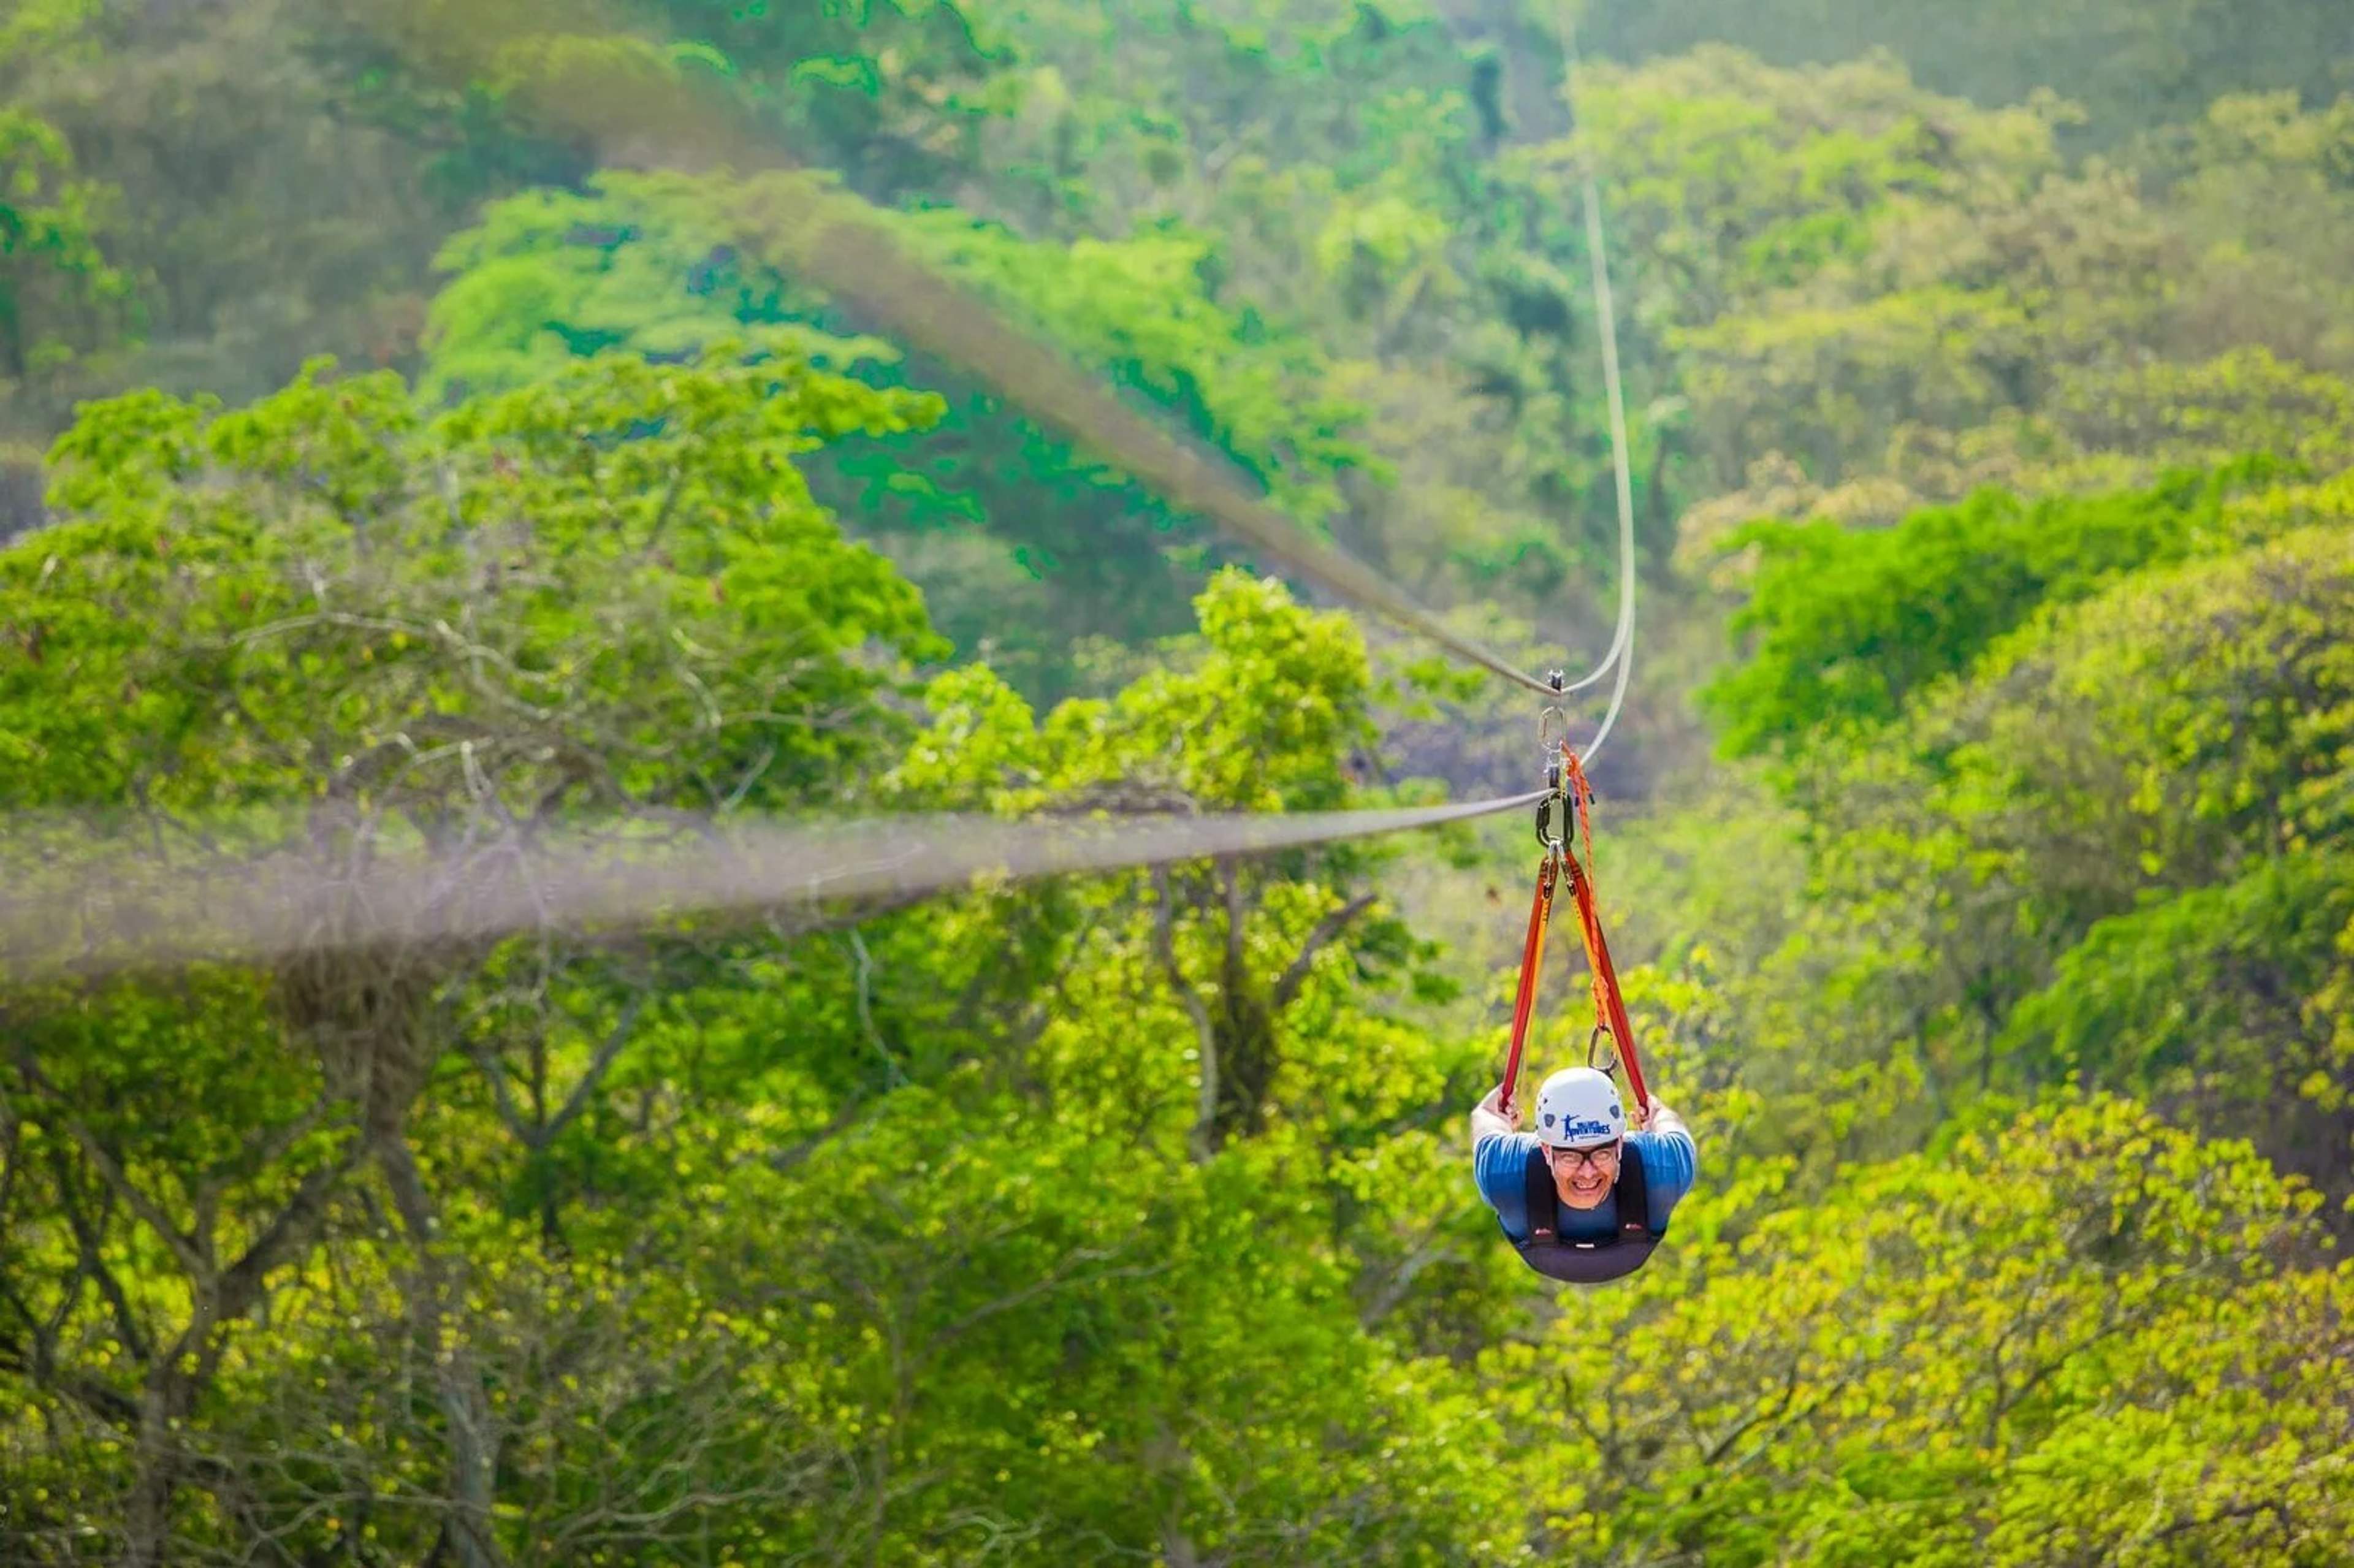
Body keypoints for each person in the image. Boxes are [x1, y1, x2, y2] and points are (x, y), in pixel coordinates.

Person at [1470, 1065, 1696, 1284]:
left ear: (1620, 1145)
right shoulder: (1504, 1173)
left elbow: (1488, 1115)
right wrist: (1656, 1114)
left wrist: (1658, 1113)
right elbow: (1485, 1118)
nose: (1588, 1172)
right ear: (1547, 1151)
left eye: (1602, 1154)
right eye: (1570, 1157)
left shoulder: (1664, 1168)